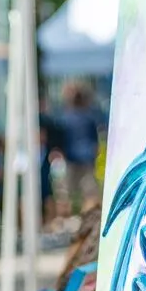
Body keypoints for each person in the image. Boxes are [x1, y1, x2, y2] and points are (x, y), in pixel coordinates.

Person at [56, 81, 104, 215]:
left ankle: (64, 219)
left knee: (65, 193)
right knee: (90, 193)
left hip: (71, 158)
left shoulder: (66, 118)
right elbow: (95, 140)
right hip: (87, 158)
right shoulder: (89, 117)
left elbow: (61, 139)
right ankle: (88, 219)